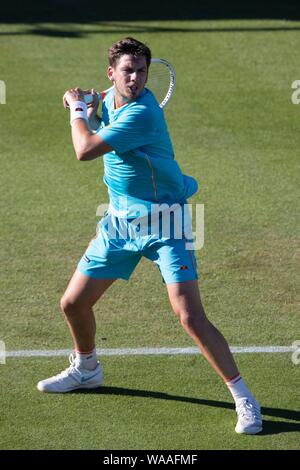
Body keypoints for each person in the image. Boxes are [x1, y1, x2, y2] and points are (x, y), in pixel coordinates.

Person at [37, 37, 262, 435]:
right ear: (112, 73)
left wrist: (77, 110)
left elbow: (85, 148)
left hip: (165, 222)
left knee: (189, 316)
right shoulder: (110, 97)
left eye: (142, 71)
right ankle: (87, 368)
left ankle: (245, 399)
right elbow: (88, 104)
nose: (136, 78)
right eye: (128, 70)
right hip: (120, 223)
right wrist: (82, 100)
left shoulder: (142, 112)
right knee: (73, 303)